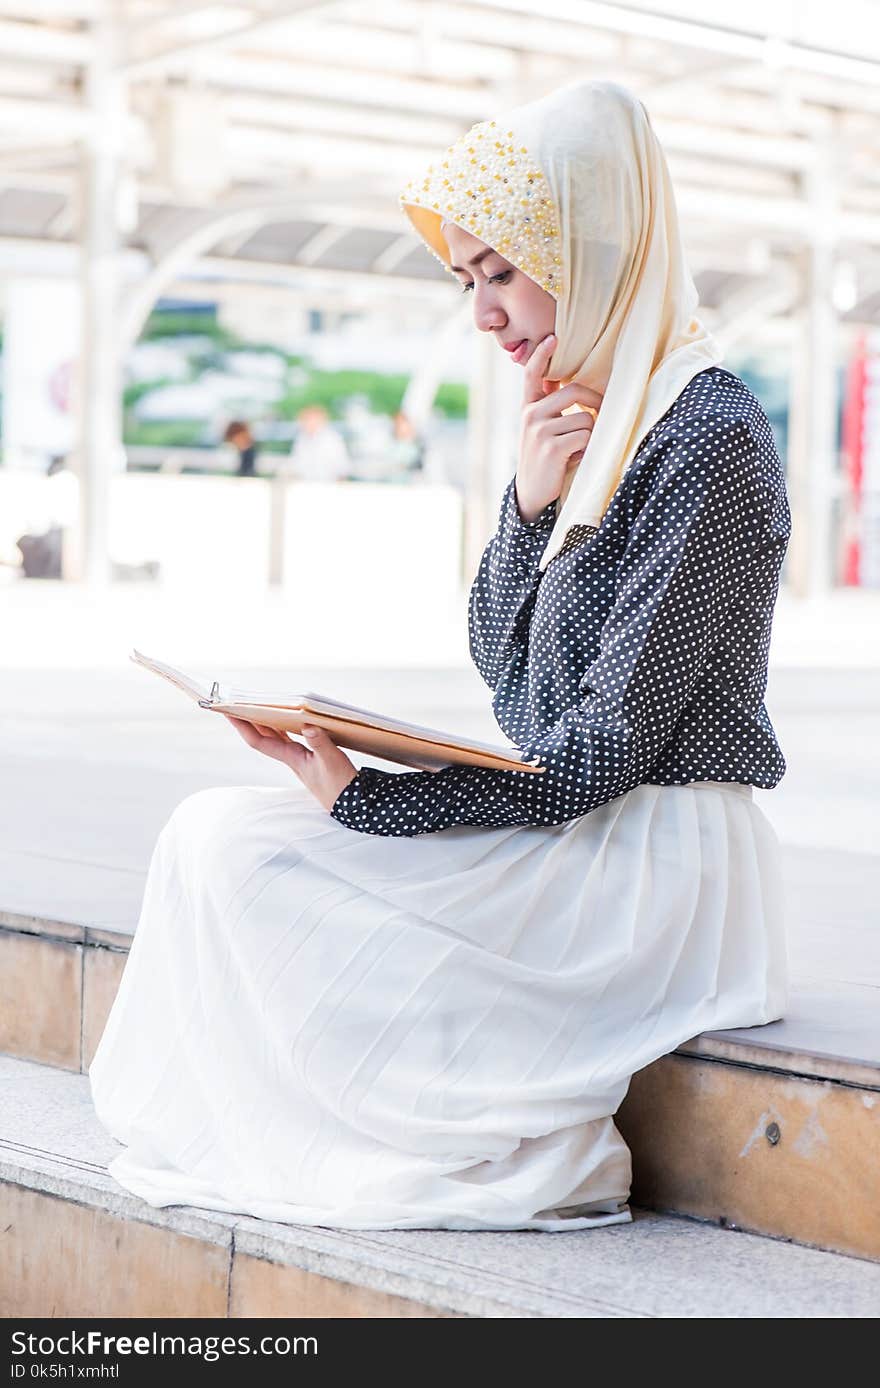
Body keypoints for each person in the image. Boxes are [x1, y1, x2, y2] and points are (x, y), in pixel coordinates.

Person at [89, 79, 791, 1233]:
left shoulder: (706, 433)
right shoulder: (598, 421)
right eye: (466, 278)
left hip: (654, 865)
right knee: (210, 833)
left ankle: (481, 1144)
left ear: (595, 247)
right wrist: (523, 508)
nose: (481, 312)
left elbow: (600, 749)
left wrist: (373, 800)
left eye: (501, 271)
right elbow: (513, 685)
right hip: (578, 824)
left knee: (244, 854)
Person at [284, 403, 350, 481]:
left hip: (328, 485)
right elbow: (296, 463)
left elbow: (342, 469)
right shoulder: (301, 439)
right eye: (304, 420)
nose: (307, 424)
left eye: (310, 420)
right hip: (306, 485)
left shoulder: (332, 439)